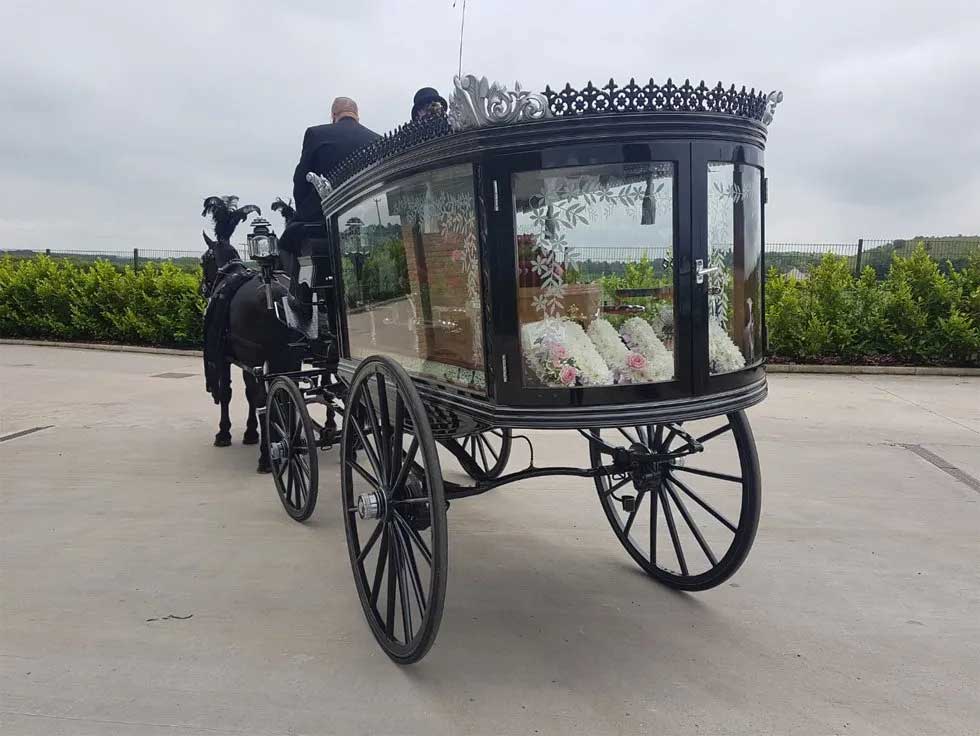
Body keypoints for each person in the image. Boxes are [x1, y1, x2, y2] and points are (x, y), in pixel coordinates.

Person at [291, 97, 380, 223]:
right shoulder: (377, 140)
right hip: (369, 213)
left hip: (323, 218)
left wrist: (303, 215)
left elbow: (300, 180)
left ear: (333, 116)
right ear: (357, 116)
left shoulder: (315, 134)